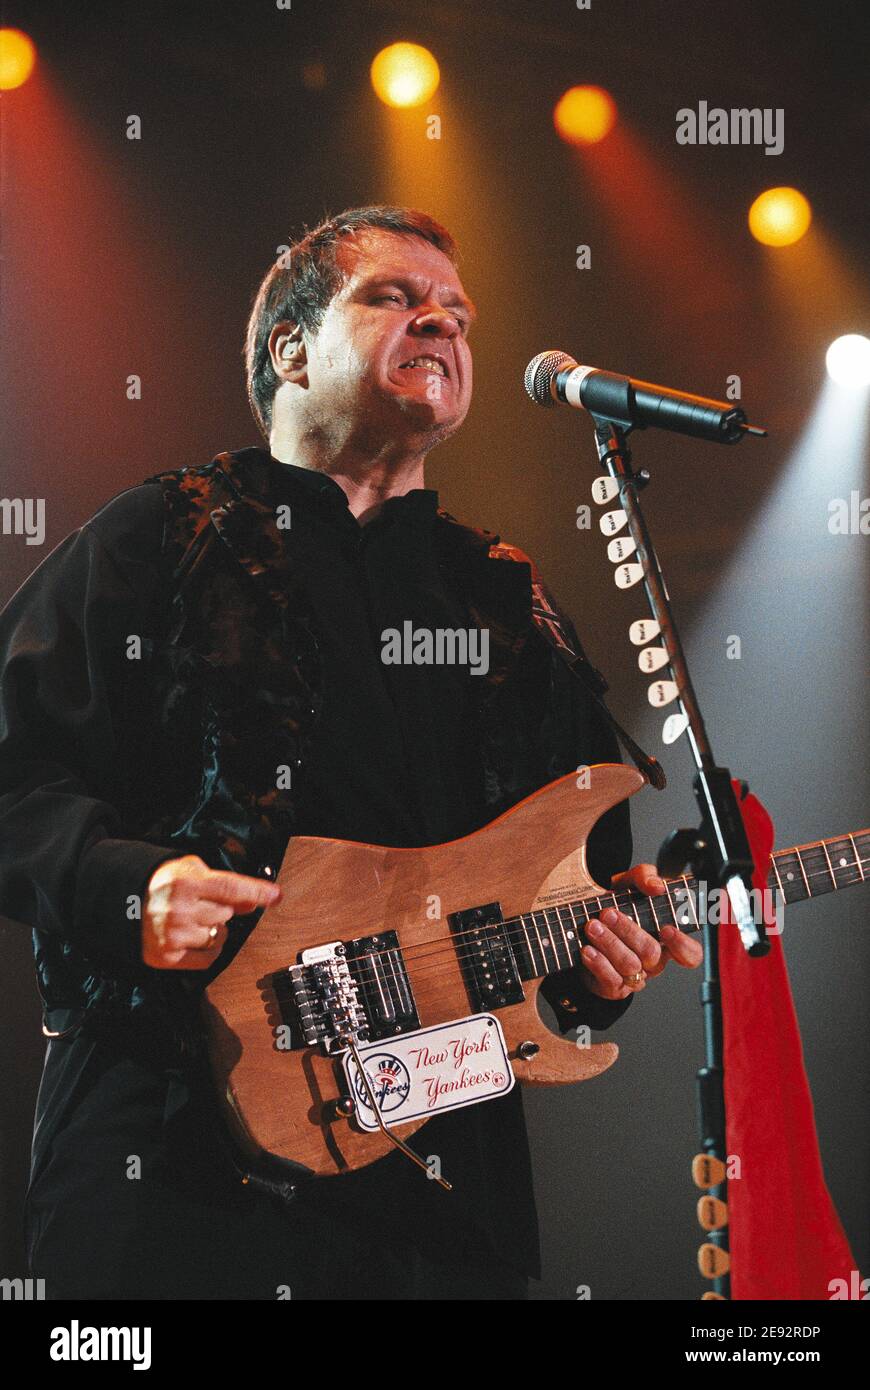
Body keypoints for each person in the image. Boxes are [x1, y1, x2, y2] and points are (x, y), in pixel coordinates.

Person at [0, 205, 702, 1301]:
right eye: (395, 296)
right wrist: (127, 881)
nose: (442, 322)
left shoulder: (507, 600)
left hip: (445, 1179)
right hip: (178, 1146)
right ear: (290, 350)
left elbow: (580, 889)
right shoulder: (166, 536)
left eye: (458, 313)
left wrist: (603, 967)